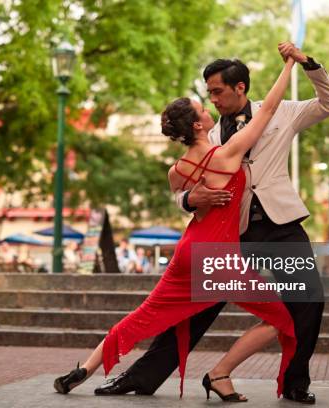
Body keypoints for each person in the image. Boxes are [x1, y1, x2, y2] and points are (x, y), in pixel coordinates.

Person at [96, 42, 329, 404]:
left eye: (217, 91)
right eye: (208, 92)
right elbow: (182, 186)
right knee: (195, 305)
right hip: (230, 232)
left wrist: (308, 64)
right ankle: (141, 377)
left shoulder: (282, 112)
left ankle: (295, 382)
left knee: (308, 299)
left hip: (281, 226)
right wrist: (187, 200)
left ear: (239, 87)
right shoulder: (208, 133)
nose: (212, 99)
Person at [53, 49, 297, 402]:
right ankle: (220, 373)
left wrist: (191, 199)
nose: (209, 108)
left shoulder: (177, 171)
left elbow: (185, 201)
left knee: (144, 315)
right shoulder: (227, 155)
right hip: (219, 257)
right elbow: (270, 108)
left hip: (188, 253)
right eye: (202, 109)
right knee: (279, 319)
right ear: (198, 125)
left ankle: (84, 369)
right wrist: (289, 64)